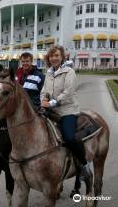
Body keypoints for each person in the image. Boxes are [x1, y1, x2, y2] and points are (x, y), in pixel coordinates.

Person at [40, 46, 92, 181]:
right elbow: (44, 91)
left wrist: (51, 103)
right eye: (51, 56)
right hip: (51, 111)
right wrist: (43, 100)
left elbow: (68, 94)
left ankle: (85, 166)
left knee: (69, 137)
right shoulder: (48, 73)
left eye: (56, 55)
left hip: (67, 110)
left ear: (62, 57)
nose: (54, 58)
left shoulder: (69, 72)